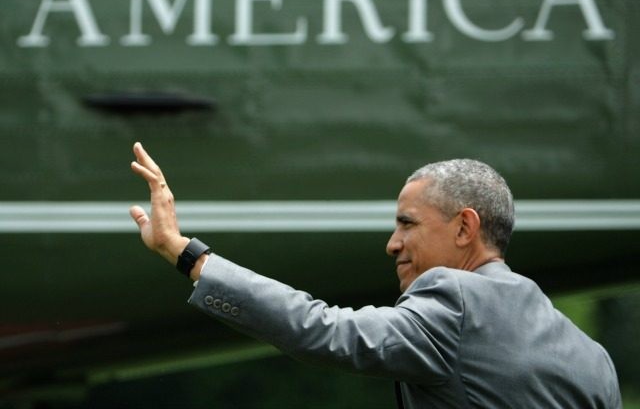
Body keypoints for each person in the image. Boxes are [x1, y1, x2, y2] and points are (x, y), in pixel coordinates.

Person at [129, 142, 622, 408]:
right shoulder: (594, 359)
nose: (392, 243)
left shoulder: (454, 299)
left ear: (465, 227)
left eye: (408, 224)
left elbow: (323, 329)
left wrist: (185, 253)